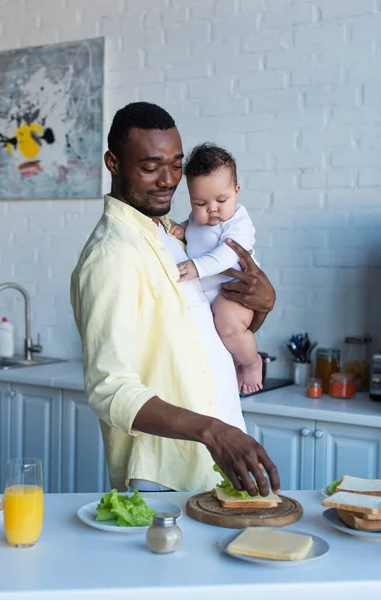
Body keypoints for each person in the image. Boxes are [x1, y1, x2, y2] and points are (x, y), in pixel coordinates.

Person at [70, 101, 279, 497]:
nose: (168, 180)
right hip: (165, 477)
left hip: (215, 460)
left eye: (176, 165)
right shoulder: (111, 256)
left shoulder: (173, 235)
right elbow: (108, 387)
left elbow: (210, 328)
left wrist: (263, 306)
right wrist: (212, 431)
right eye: (150, 167)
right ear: (113, 163)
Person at [171, 143, 262, 396]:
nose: (212, 209)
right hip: (208, 297)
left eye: (222, 200)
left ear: (236, 191)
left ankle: (253, 362)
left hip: (235, 293)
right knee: (220, 339)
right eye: (200, 203)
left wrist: (196, 267)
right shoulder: (196, 221)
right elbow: (196, 231)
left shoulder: (238, 221)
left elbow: (226, 255)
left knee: (229, 325)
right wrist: (182, 229)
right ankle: (236, 365)